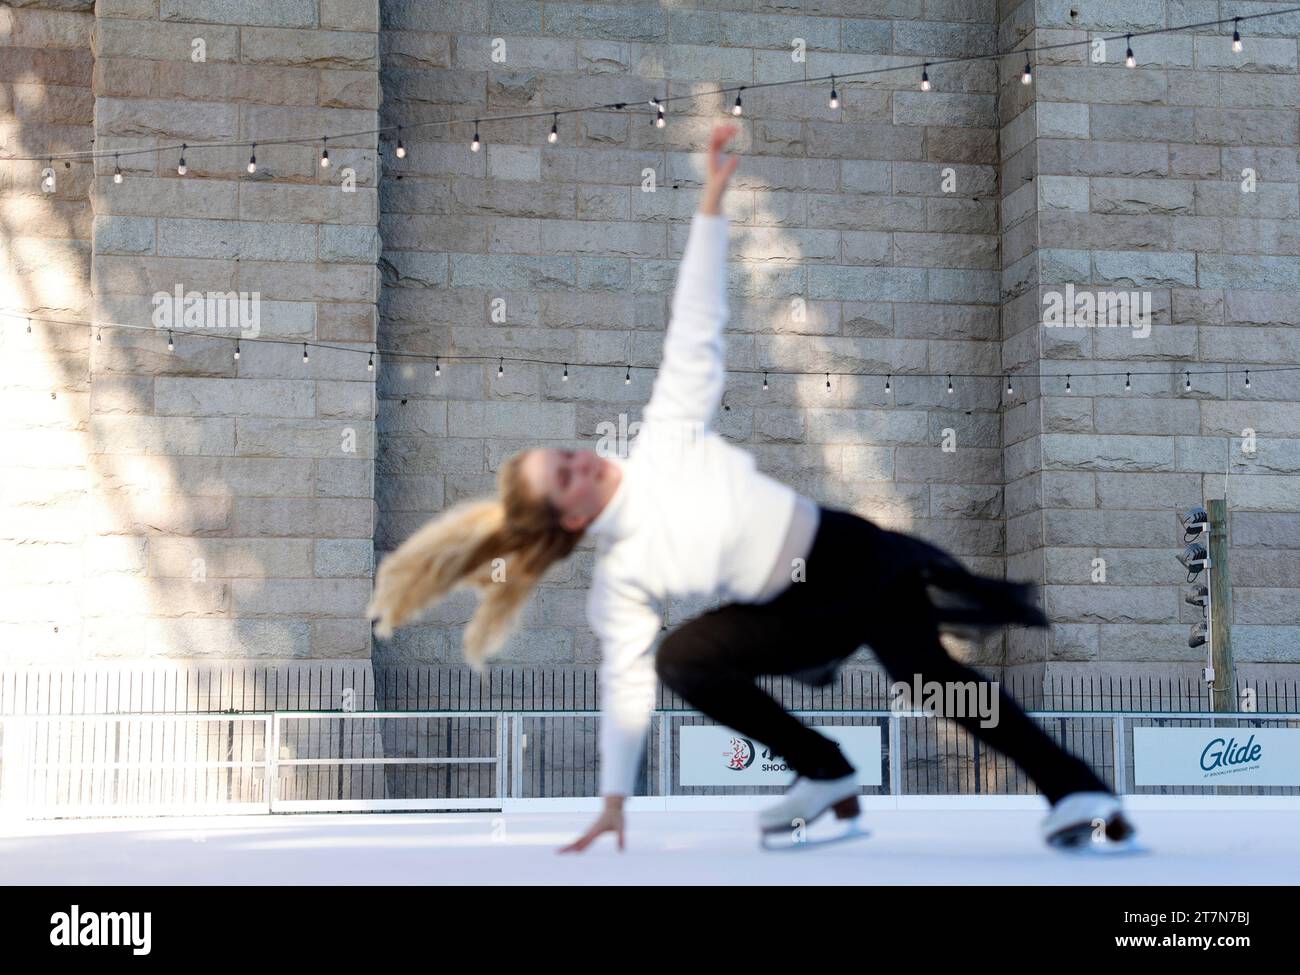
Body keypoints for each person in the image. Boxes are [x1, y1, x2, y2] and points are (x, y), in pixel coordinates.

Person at [367, 124, 1135, 854]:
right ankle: (826, 769)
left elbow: (695, 321)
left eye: (569, 453)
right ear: (568, 515)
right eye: (566, 476)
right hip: (796, 609)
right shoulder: (620, 576)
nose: (582, 463)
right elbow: (624, 687)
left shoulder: (665, 437)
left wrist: (711, 202)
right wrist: (613, 799)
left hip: (855, 558)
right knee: (679, 658)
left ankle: (1077, 791)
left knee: (937, 683)